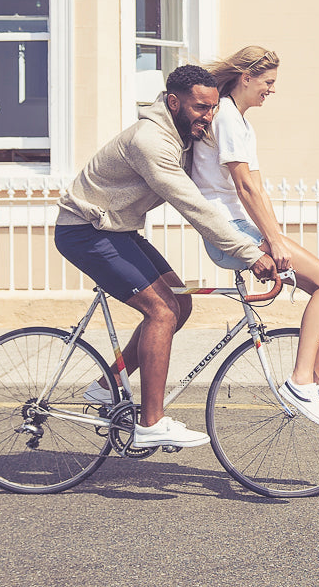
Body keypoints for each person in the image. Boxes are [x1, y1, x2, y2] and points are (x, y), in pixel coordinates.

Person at [54, 65, 276, 449]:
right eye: (199, 108)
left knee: (181, 302)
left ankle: (107, 386)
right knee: (162, 311)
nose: (207, 117)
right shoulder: (150, 141)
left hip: (117, 230)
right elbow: (190, 203)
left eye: (211, 109)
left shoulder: (182, 134)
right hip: (86, 231)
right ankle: (150, 423)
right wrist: (246, 250)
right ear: (173, 102)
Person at [191, 45, 319, 429]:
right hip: (229, 230)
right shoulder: (226, 116)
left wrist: (275, 234)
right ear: (246, 78)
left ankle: (314, 380)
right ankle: (300, 382)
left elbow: (257, 188)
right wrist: (273, 241)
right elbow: (244, 187)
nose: (272, 90)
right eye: (268, 82)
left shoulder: (241, 122)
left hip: (242, 225)